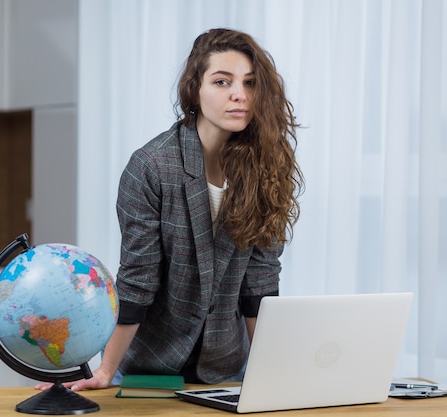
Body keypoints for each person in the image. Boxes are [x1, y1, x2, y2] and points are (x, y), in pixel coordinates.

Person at [36, 27, 303, 391]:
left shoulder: (268, 167)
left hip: (225, 370)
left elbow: (260, 286)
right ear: (195, 89)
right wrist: (104, 371)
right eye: (222, 82)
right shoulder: (151, 166)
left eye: (251, 83)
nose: (240, 95)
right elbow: (137, 281)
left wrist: (274, 375)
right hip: (149, 369)